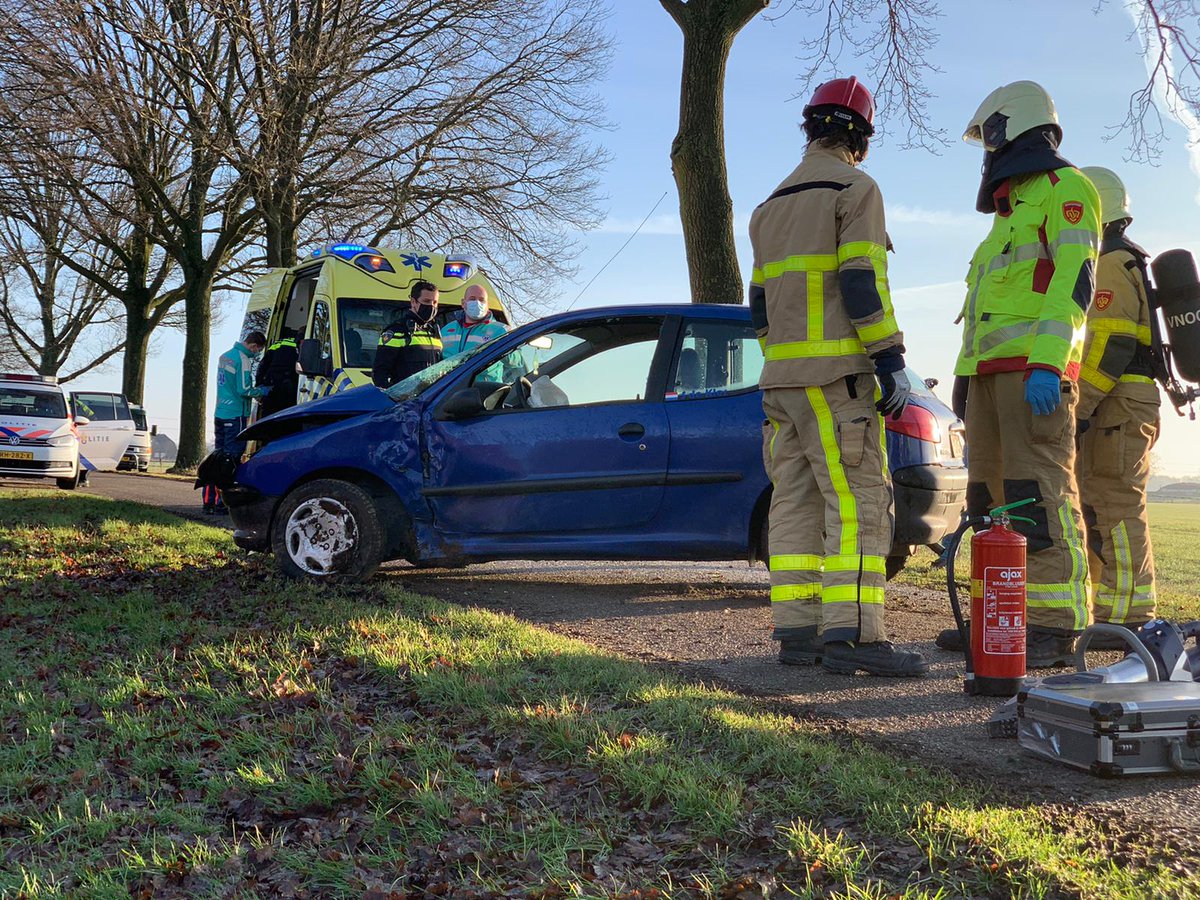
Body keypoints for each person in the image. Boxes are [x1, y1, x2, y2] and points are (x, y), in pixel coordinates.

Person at [749, 76, 927, 677]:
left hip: (780, 383)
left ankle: (796, 634)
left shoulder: (769, 206)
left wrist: (784, 357)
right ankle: (855, 638)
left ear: (810, 129)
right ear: (860, 137)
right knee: (857, 503)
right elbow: (860, 283)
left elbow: (759, 303)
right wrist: (890, 359)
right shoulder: (856, 189)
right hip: (838, 381)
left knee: (792, 504)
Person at [944, 81, 1100, 667]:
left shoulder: (1069, 190)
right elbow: (985, 308)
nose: (986, 151)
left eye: (989, 137)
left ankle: (1056, 627)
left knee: (1039, 495)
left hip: (1034, 377)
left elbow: (1072, 288)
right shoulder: (1008, 216)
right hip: (986, 380)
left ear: (1014, 128)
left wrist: (1047, 364)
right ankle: (997, 619)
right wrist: (965, 379)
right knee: (988, 501)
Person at [1075, 166, 1160, 644]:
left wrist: (1078, 407)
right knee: (1097, 503)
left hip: (1118, 402)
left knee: (1115, 502)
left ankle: (1128, 616)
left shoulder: (1109, 264)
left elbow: (1110, 344)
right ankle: (1107, 608)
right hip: (1121, 401)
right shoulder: (1125, 260)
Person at [209, 330, 267, 514]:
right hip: (236, 414)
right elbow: (244, 389)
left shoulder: (225, 356)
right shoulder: (243, 359)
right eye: (258, 350)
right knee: (231, 459)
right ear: (253, 345)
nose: (256, 353)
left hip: (220, 412)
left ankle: (209, 500)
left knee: (218, 458)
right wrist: (262, 392)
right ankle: (223, 503)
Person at [372, 280, 443, 388]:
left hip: (430, 399)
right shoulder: (397, 331)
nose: (431, 306)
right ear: (413, 302)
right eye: (426, 301)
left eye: (435, 302)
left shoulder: (434, 332)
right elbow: (380, 374)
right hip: (406, 401)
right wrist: (396, 397)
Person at [441, 284, 508, 358]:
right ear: (463, 303)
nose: (477, 303)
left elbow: (517, 363)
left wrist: (503, 348)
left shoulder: (500, 331)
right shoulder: (446, 330)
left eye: (481, 300)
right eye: (472, 299)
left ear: (487, 305)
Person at [255, 327, 301, 418]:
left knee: (269, 421)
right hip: (289, 389)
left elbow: (262, 366)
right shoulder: (303, 346)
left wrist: (259, 385)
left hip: (272, 386)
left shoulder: (278, 343)